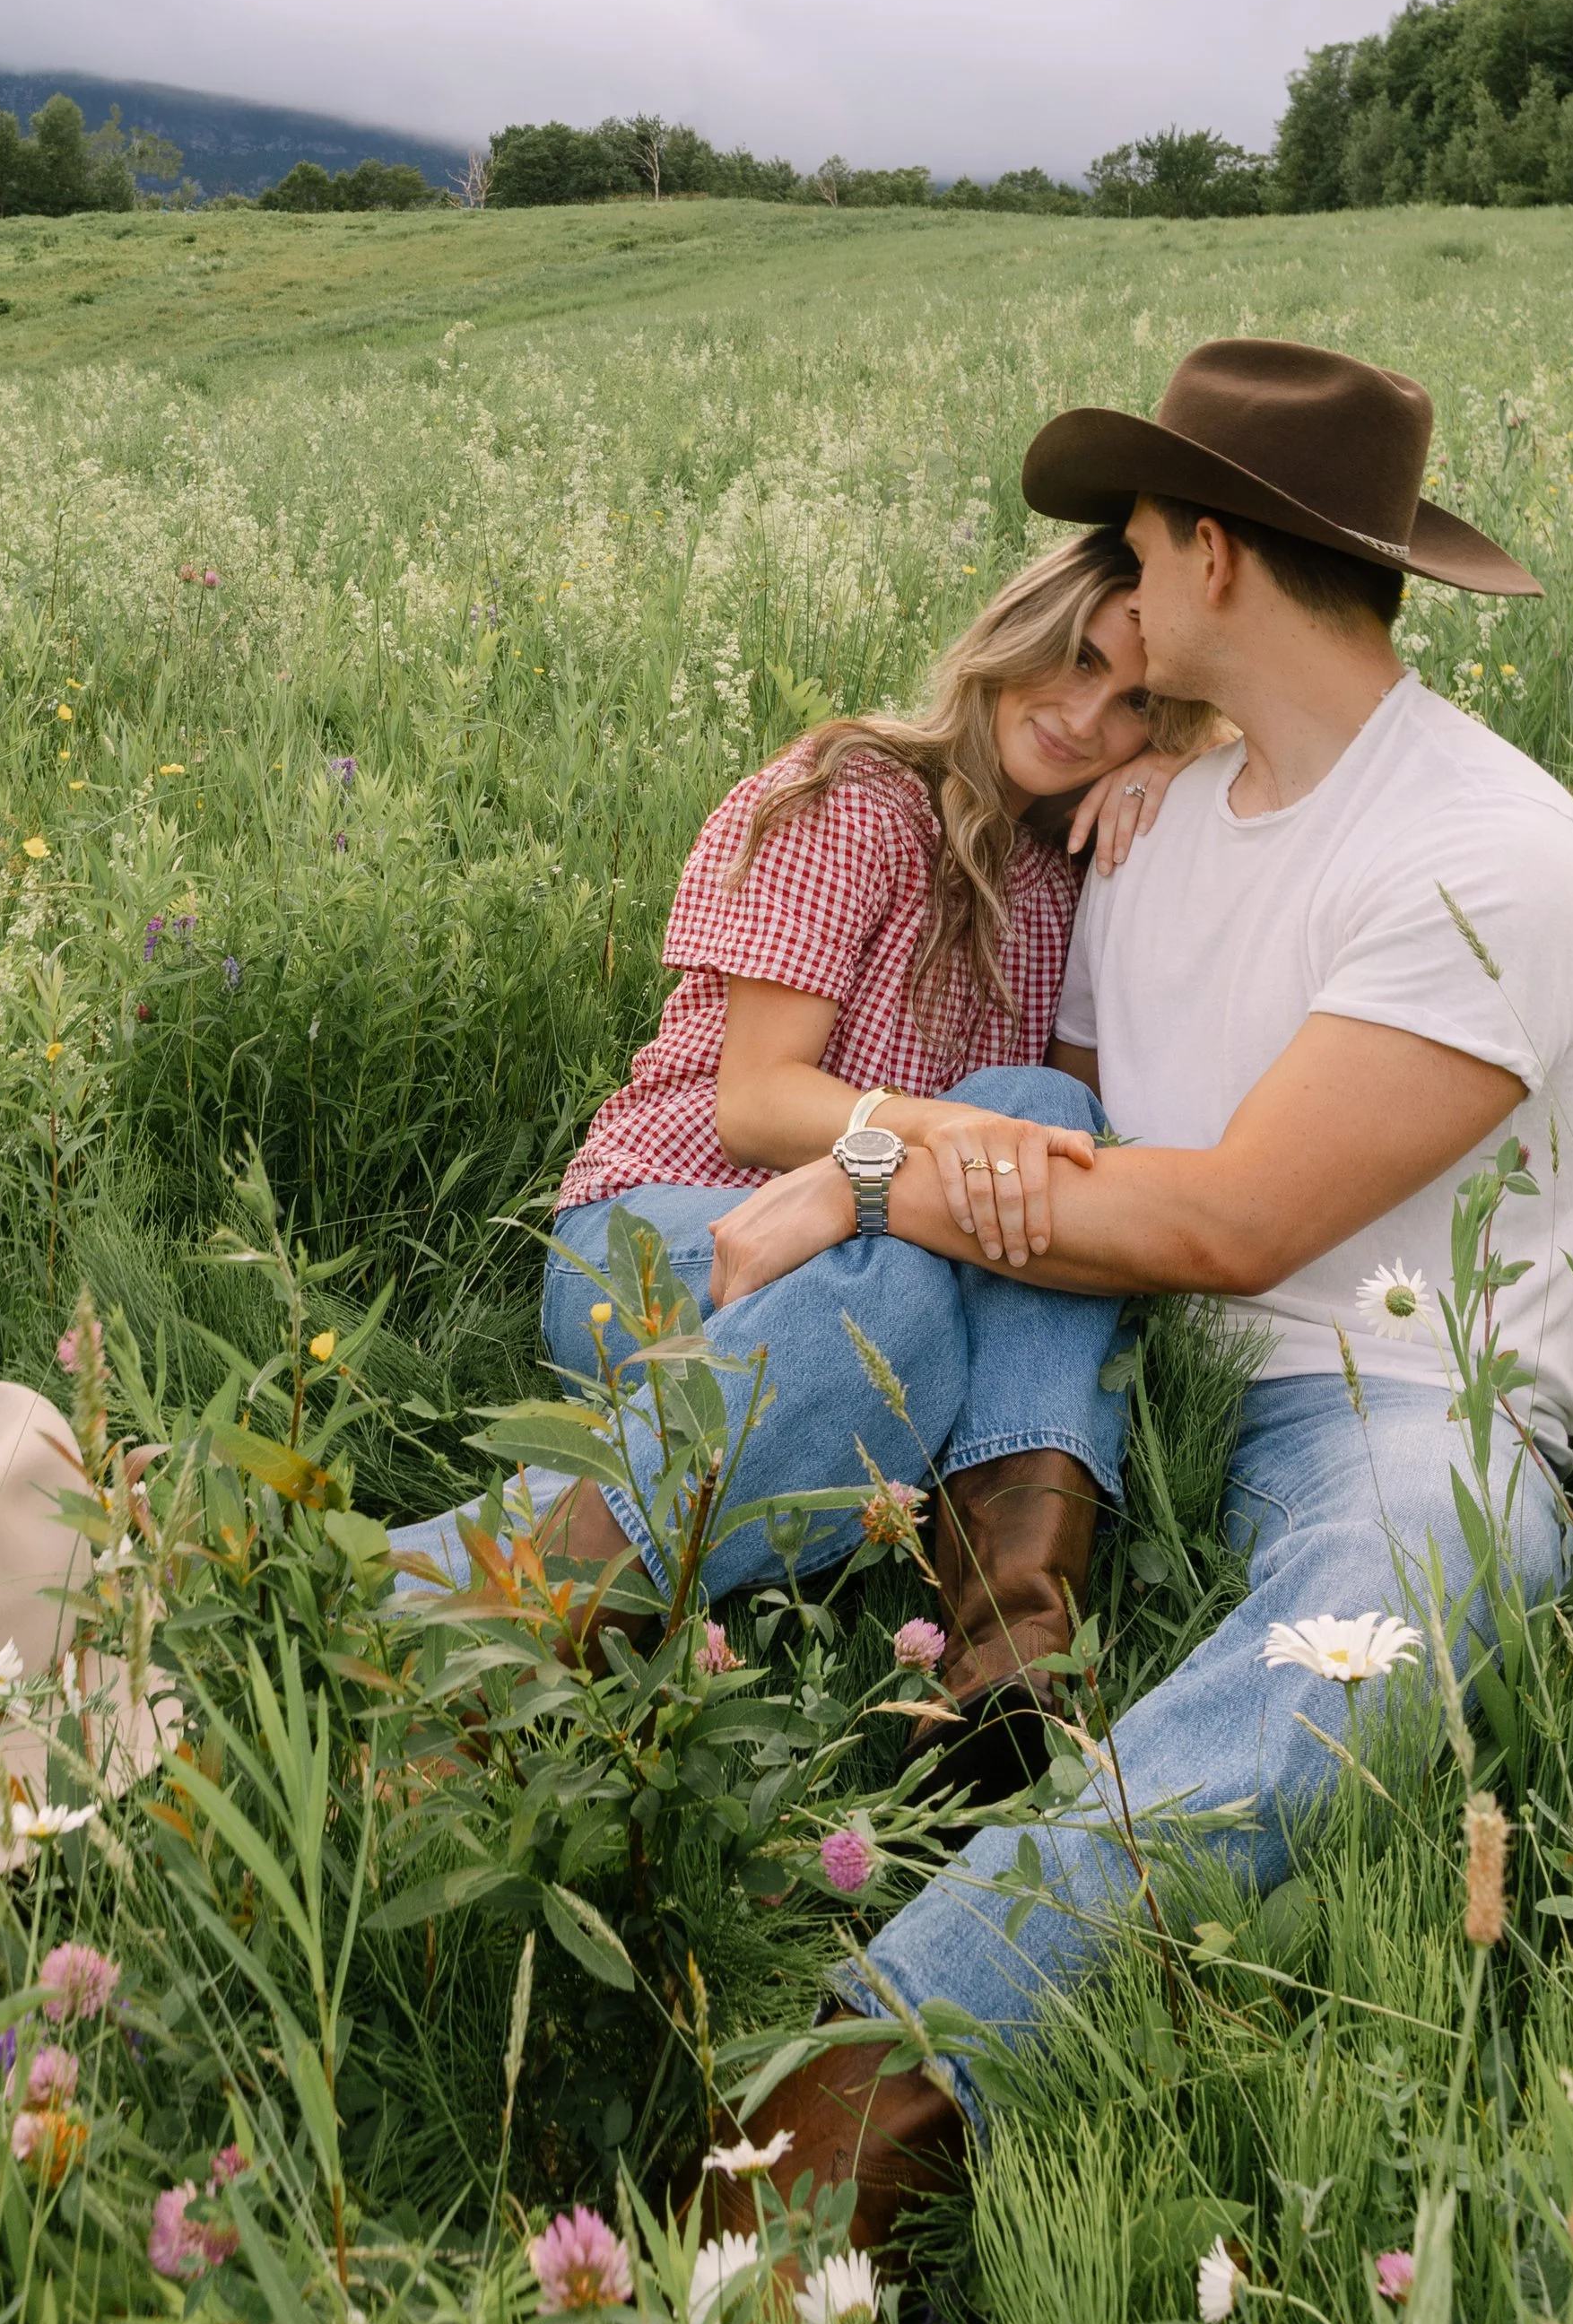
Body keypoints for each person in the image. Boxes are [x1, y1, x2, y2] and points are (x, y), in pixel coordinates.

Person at [697, 338, 1573, 2246]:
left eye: (1127, 545)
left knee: (1424, 1590)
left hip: (1386, 1397)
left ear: (1209, 560)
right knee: (822, 1361)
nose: (1107, 596)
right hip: (1110, 1355)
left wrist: (869, 1173)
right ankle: (472, 1604)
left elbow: (1224, 1227)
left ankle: (839, 2119)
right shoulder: (1151, 827)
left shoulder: (1486, 857)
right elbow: (1076, 1132)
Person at [390, 533, 1217, 1778]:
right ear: (1015, 635)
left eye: (1136, 704)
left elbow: (1041, 1157)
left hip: (881, 1234)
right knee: (906, 1294)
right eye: (1076, 659)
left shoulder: (1065, 880)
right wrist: (933, 1147)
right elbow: (761, 1105)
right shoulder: (854, 793)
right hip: (672, 1219)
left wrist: (1182, 780)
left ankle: (1008, 1657)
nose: (1085, 713)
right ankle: (431, 1600)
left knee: (1037, 1111)